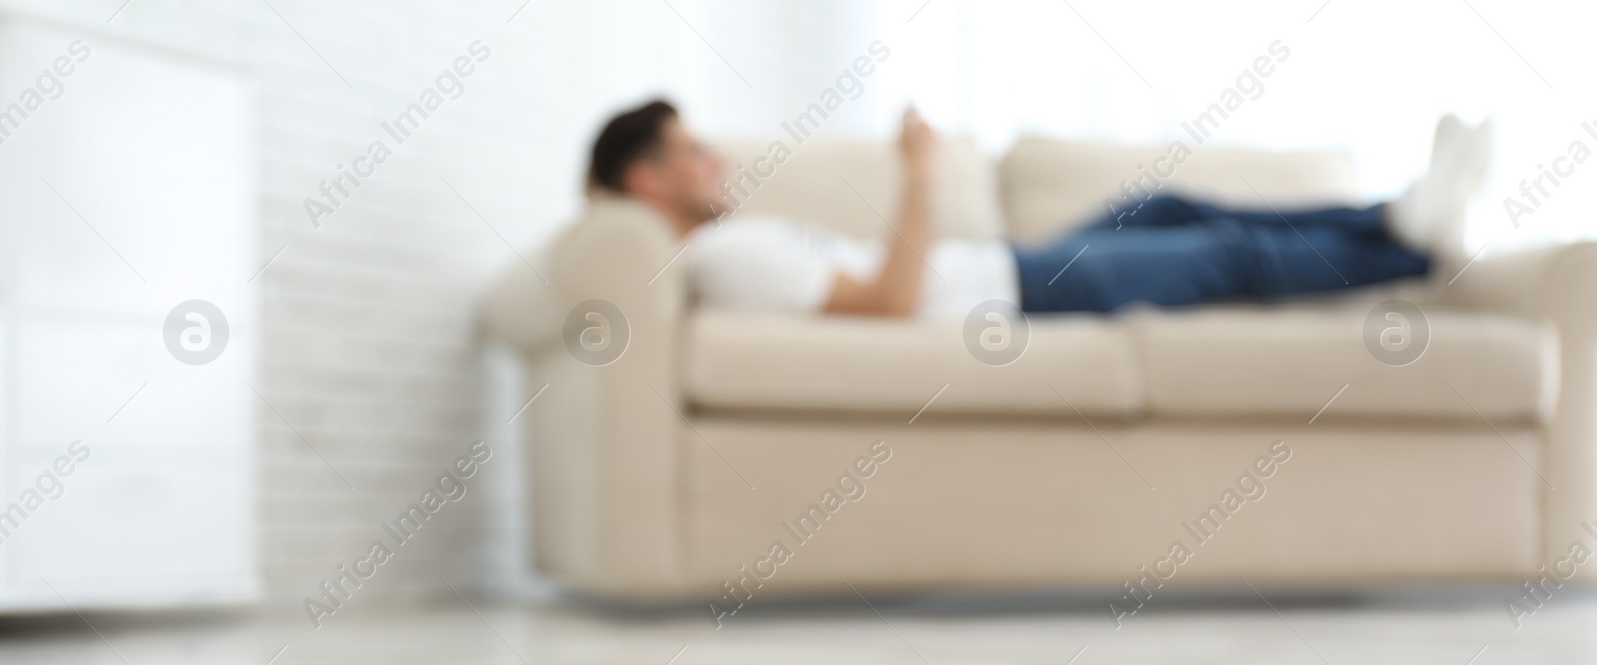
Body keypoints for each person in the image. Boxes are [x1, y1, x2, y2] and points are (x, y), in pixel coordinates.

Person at [584, 99, 1491, 319]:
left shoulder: (731, 243)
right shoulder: (722, 259)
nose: (717, 158)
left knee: (1163, 205)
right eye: (691, 152)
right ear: (648, 185)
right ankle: (1407, 250)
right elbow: (893, 305)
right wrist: (920, 173)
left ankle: (1398, 213)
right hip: (1006, 294)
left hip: (1009, 264)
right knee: (1222, 256)